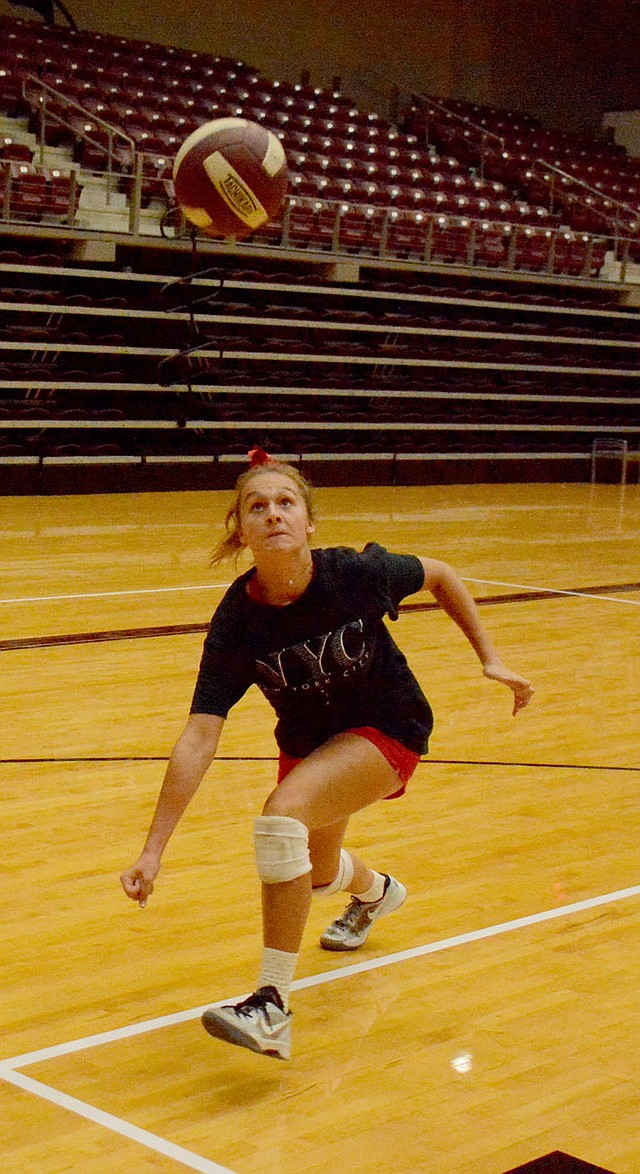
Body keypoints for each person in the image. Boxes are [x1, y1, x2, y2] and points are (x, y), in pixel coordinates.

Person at [121, 448, 533, 1061]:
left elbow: (442, 574)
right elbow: (200, 735)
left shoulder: (356, 574)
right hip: (312, 747)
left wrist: (490, 657)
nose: (273, 514)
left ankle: (270, 1005)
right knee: (312, 871)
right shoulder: (237, 622)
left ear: (309, 521)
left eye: (286, 502)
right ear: (242, 531)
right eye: (256, 507)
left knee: (279, 819)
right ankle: (374, 893)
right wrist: (154, 849)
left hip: (389, 726)